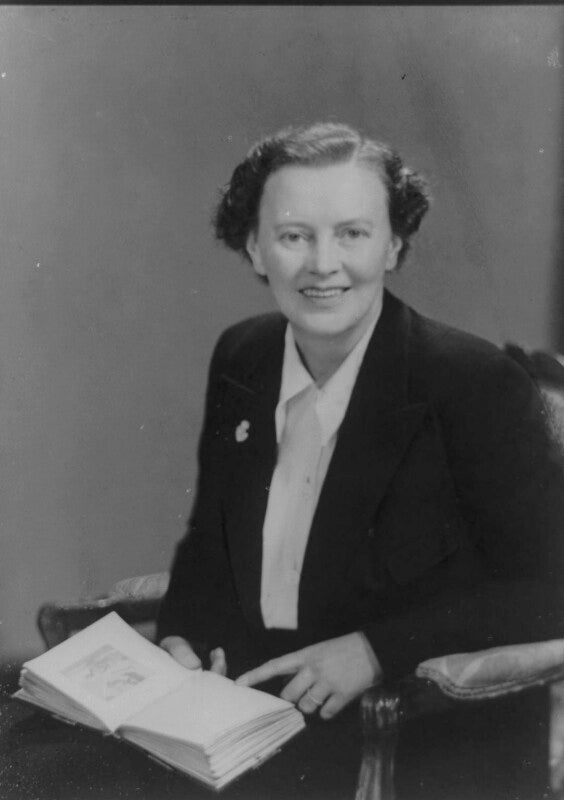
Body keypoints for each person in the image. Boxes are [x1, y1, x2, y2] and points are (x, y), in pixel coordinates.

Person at [157, 122, 564, 798]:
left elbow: (551, 587)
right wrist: (181, 639)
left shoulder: (471, 382)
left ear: (393, 244)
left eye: (352, 233)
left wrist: (377, 651)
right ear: (254, 246)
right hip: (248, 717)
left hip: (415, 734)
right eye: (294, 236)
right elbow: (208, 546)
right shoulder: (242, 357)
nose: (324, 264)